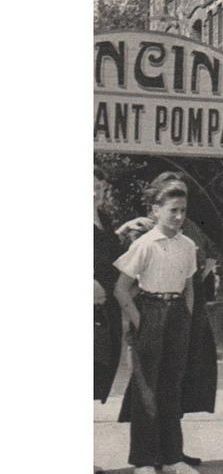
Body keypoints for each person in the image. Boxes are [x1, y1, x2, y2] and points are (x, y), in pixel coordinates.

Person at [113, 181, 204, 474]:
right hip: (150, 310)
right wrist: (141, 322)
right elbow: (121, 289)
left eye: (183, 211)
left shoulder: (188, 245)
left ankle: (172, 456)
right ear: (155, 211)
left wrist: (186, 317)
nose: (178, 216)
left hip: (177, 313)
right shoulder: (145, 244)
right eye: (172, 210)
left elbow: (189, 287)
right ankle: (143, 460)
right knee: (147, 391)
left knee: (171, 388)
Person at [94, 167, 124, 404]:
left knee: (102, 368)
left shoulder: (103, 219)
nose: (95, 193)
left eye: (99, 188)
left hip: (107, 308)